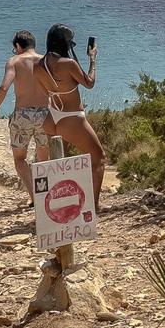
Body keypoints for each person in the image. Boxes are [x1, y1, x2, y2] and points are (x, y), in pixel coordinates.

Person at [35, 23, 108, 204]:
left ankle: (59, 203)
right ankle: (94, 206)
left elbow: (46, 93)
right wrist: (92, 59)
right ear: (65, 43)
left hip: (52, 118)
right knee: (98, 158)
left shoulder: (38, 65)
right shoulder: (68, 64)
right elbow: (89, 83)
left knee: (59, 166)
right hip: (72, 118)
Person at [0, 30, 53, 199]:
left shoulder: (14, 61)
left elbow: (4, 88)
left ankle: (34, 195)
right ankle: (45, 195)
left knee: (19, 160)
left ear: (18, 46)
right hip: (45, 114)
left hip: (22, 116)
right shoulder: (45, 61)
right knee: (43, 159)